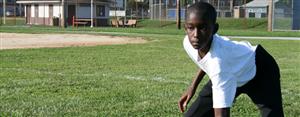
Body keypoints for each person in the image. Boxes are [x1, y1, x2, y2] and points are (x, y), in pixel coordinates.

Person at [178, 2, 284, 117]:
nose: (196, 34)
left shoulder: (219, 66)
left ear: (215, 29)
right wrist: (192, 87)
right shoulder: (189, 44)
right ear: (185, 28)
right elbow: (206, 61)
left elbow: (221, 113)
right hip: (230, 70)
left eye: (203, 27)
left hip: (261, 70)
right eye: (190, 27)